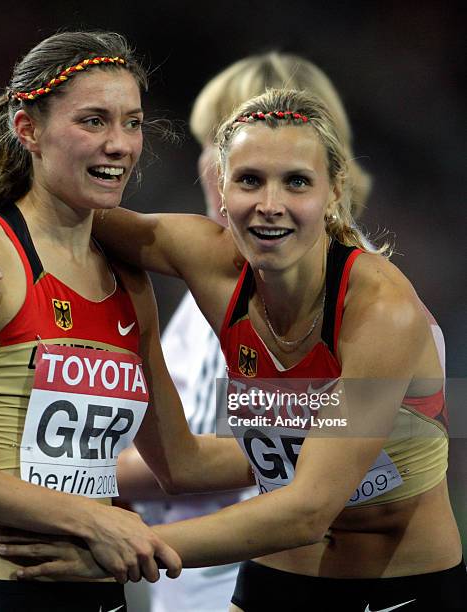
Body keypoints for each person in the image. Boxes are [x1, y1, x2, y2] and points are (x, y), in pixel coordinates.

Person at [0, 85, 466, 611]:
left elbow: (309, 510)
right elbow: (54, 199)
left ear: (332, 193)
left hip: (400, 587)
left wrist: (125, 549)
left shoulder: (381, 310)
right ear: (221, 192)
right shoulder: (209, 262)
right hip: (277, 577)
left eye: (297, 183)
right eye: (250, 181)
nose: (270, 205)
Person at [0, 30, 278, 612]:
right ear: (28, 130)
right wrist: (92, 520)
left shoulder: (130, 278)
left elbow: (180, 462)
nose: (120, 144)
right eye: (94, 121)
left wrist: (335, 437)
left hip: (101, 590)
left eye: (133, 122)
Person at [119, 50, 374, 612]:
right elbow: (62, 213)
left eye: (223, 139)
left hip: (244, 572)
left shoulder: (359, 295)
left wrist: (80, 470)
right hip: (185, 571)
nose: (209, 163)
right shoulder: (220, 269)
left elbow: (279, 457)